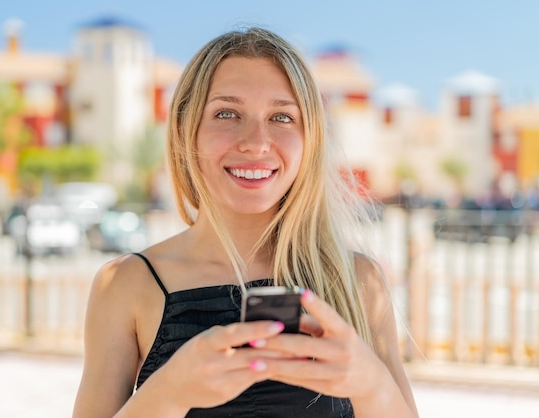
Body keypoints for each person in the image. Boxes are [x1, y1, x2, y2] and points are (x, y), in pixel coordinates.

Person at [72, 26, 419, 418]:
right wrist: (167, 393)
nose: (256, 142)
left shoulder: (358, 280)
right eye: (227, 113)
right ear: (188, 130)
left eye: (282, 117)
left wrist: (371, 384)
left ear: (311, 139)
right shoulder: (126, 285)